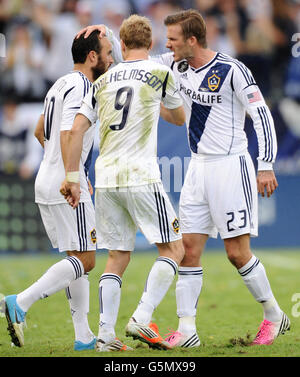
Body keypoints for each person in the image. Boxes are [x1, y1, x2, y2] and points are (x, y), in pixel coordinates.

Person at [78, 8, 290, 348]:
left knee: (237, 253)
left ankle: (274, 315)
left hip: (230, 166)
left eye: (173, 40)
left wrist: (265, 164)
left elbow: (261, 114)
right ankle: (187, 328)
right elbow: (133, 56)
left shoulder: (232, 69)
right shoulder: (173, 64)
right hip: (197, 167)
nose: (168, 45)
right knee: (188, 249)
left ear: (192, 40)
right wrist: (101, 32)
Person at [61, 14, 186, 352]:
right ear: (150, 43)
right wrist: (155, 104)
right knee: (174, 249)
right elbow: (179, 117)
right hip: (141, 174)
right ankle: (142, 317)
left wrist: (72, 177)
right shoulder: (161, 72)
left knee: (116, 257)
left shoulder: (101, 81)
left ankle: (104, 336)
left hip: (105, 179)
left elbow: (76, 129)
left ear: (123, 45)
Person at [1, 30, 114, 351]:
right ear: (92, 56)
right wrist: (72, 175)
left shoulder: (60, 83)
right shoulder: (83, 87)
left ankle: (83, 337)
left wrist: (55, 164)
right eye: (106, 52)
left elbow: (41, 130)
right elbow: (68, 133)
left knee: (75, 256)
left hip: (46, 180)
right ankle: (19, 302)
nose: (110, 59)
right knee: (88, 260)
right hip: (66, 183)